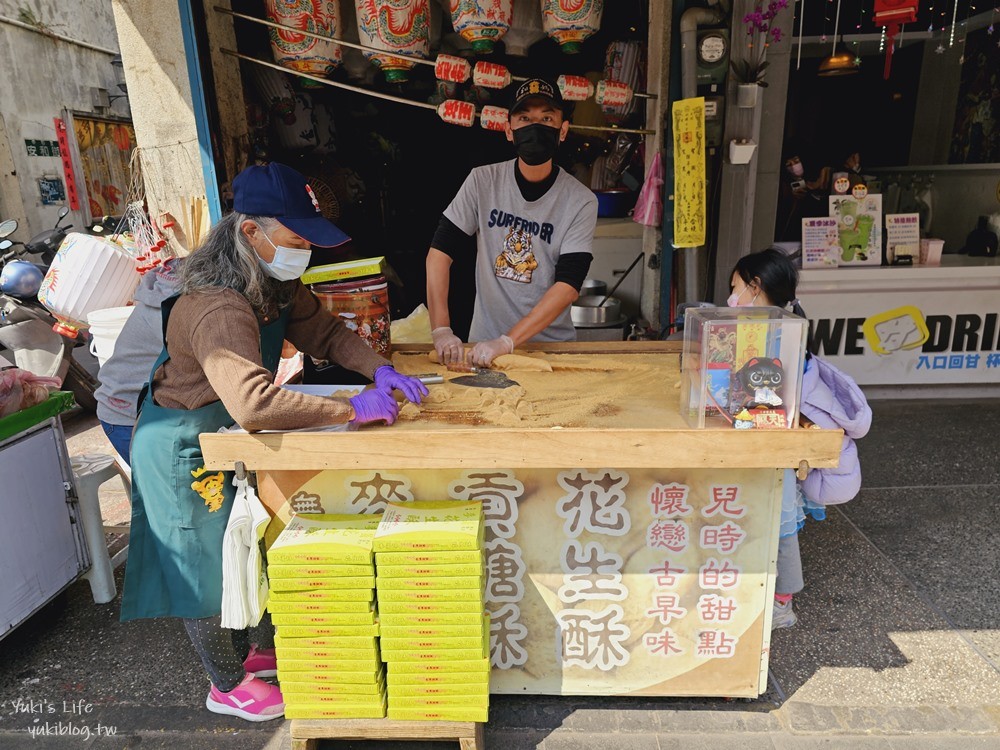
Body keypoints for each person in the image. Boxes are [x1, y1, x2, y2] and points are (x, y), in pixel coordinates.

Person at [119, 162, 428, 722]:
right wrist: (351, 408)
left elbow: (327, 333)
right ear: (250, 232)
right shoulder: (217, 305)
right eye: (295, 238)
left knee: (252, 548)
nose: (305, 249)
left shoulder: (273, 281)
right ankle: (225, 684)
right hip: (184, 443)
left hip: (230, 434)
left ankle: (259, 651)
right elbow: (256, 403)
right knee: (205, 568)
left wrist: (378, 370)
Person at [728, 248, 872, 629]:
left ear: (756, 288)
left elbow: (766, 406)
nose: (731, 297)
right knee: (769, 525)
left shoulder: (777, 340)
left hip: (776, 453)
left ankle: (781, 604)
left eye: (736, 288)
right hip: (770, 444)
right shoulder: (778, 330)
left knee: (779, 529)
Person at [426, 78, 598, 368]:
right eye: (524, 118)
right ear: (509, 130)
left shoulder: (580, 201)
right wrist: (441, 329)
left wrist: (507, 341)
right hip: (481, 348)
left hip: (551, 353)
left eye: (547, 118)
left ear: (563, 130)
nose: (535, 126)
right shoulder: (482, 182)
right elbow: (439, 254)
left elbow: (568, 285)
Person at [95, 257, 182, 464]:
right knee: (164, 491)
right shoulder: (171, 309)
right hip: (126, 412)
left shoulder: (175, 295)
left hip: (155, 408)